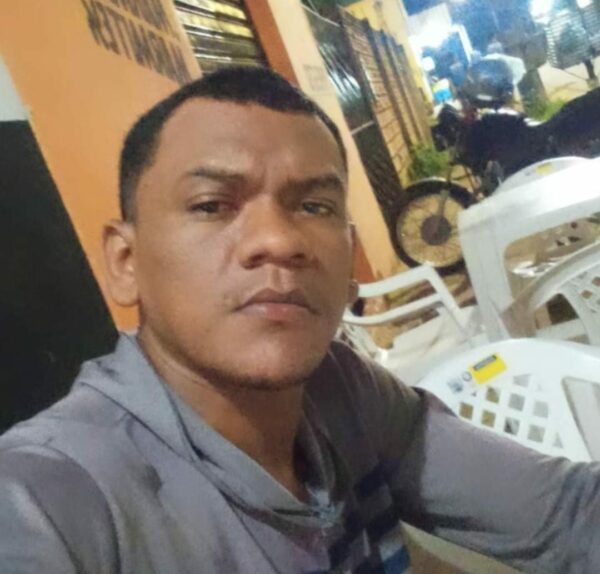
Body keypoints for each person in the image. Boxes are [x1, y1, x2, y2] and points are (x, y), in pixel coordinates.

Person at [0, 66, 598, 574]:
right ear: (125, 262)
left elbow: (568, 513)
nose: (279, 240)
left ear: (350, 254)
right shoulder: (54, 499)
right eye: (211, 205)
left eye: (314, 206)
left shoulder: (347, 392)